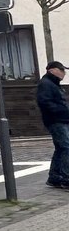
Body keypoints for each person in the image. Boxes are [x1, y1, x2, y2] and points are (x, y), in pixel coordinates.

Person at [37, 60, 69, 189]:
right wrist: (63, 112)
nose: (64, 73)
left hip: (61, 120)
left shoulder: (53, 83)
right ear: (52, 70)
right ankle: (66, 178)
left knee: (61, 148)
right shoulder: (46, 84)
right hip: (56, 121)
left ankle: (54, 177)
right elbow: (45, 102)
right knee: (66, 147)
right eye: (61, 70)